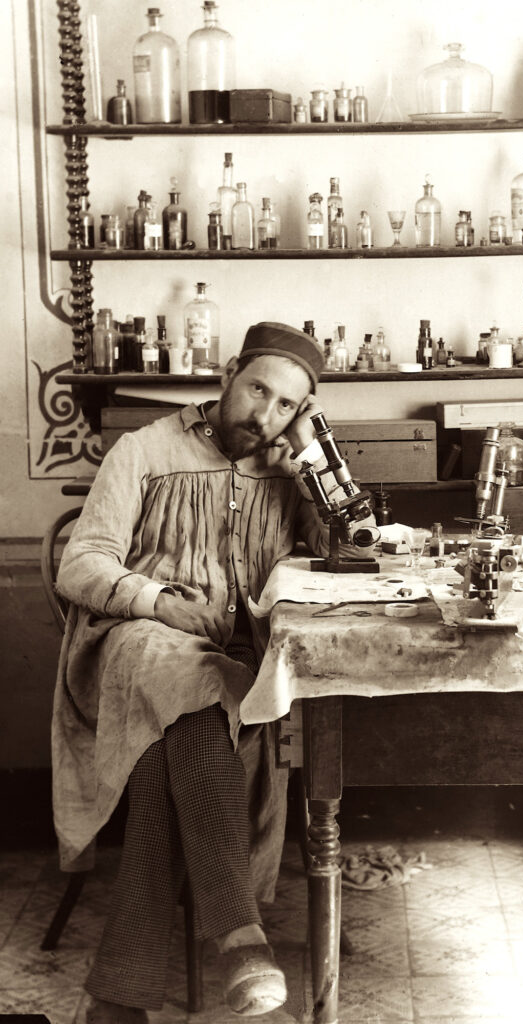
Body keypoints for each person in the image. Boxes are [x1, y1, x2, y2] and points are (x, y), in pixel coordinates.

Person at [52, 322, 370, 1023]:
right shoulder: (144, 449)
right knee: (188, 683)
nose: (264, 415)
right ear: (228, 373)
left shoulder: (285, 467)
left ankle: (118, 995)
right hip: (134, 644)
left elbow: (344, 553)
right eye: (257, 389)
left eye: (286, 405)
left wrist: (313, 477)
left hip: (230, 661)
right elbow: (80, 563)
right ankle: (238, 935)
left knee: (174, 751)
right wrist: (157, 600)